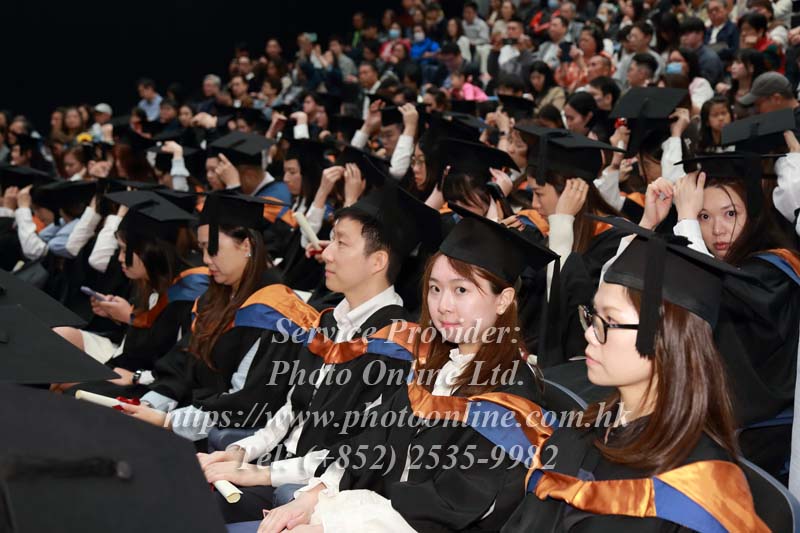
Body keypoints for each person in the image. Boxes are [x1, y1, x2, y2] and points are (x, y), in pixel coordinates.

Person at [248, 209, 558, 533]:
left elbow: (450, 506)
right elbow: (371, 444)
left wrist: (329, 525)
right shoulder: (433, 370)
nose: (443, 305)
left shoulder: (510, 400)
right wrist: (313, 497)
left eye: (461, 290)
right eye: (435, 288)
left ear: (503, 300)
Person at [502, 216, 768, 532]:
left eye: (610, 321)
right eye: (593, 316)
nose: (589, 334)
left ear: (663, 338)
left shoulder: (700, 487)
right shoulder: (588, 428)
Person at [197, 181, 441, 523]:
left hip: (322, 492)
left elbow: (359, 451)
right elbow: (291, 409)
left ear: (377, 261)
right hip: (281, 467)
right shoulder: (329, 322)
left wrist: (262, 473)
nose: (326, 253)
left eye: (341, 242)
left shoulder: (398, 347)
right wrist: (241, 451)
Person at [116, 191, 319, 443]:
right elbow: (183, 364)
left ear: (246, 246)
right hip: (187, 414)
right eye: (202, 248)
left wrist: (166, 421)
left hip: (222, 437)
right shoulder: (213, 299)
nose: (204, 260)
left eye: (212, 249)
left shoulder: (275, 313)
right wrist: (149, 404)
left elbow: (245, 403)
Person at [644, 151, 800, 478]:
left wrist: (687, 220)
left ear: (753, 215)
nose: (718, 229)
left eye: (730, 213)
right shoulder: (730, 267)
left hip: (767, 442)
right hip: (723, 434)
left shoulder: (772, 272)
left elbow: (705, 292)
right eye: (704, 216)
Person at [54, 192, 207, 396]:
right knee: (59, 341)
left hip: (150, 377)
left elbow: (175, 360)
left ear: (150, 251)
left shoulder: (190, 291)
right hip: (126, 356)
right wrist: (121, 316)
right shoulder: (147, 280)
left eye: (124, 250)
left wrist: (130, 318)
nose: (120, 258)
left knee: (65, 381)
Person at [665, 47, 714, 113]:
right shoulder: (663, 83)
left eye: (677, 61)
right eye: (670, 62)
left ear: (689, 65)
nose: (672, 64)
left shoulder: (701, 83)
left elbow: (699, 110)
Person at [614, 21, 664, 86]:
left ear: (647, 38)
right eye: (630, 36)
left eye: (635, 37)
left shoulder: (657, 59)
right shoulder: (627, 59)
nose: (632, 40)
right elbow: (618, 80)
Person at [678, 17, 724, 86]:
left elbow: (707, 84)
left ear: (700, 34)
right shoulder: (680, 54)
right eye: (682, 34)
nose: (683, 38)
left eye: (687, 34)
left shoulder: (709, 58)